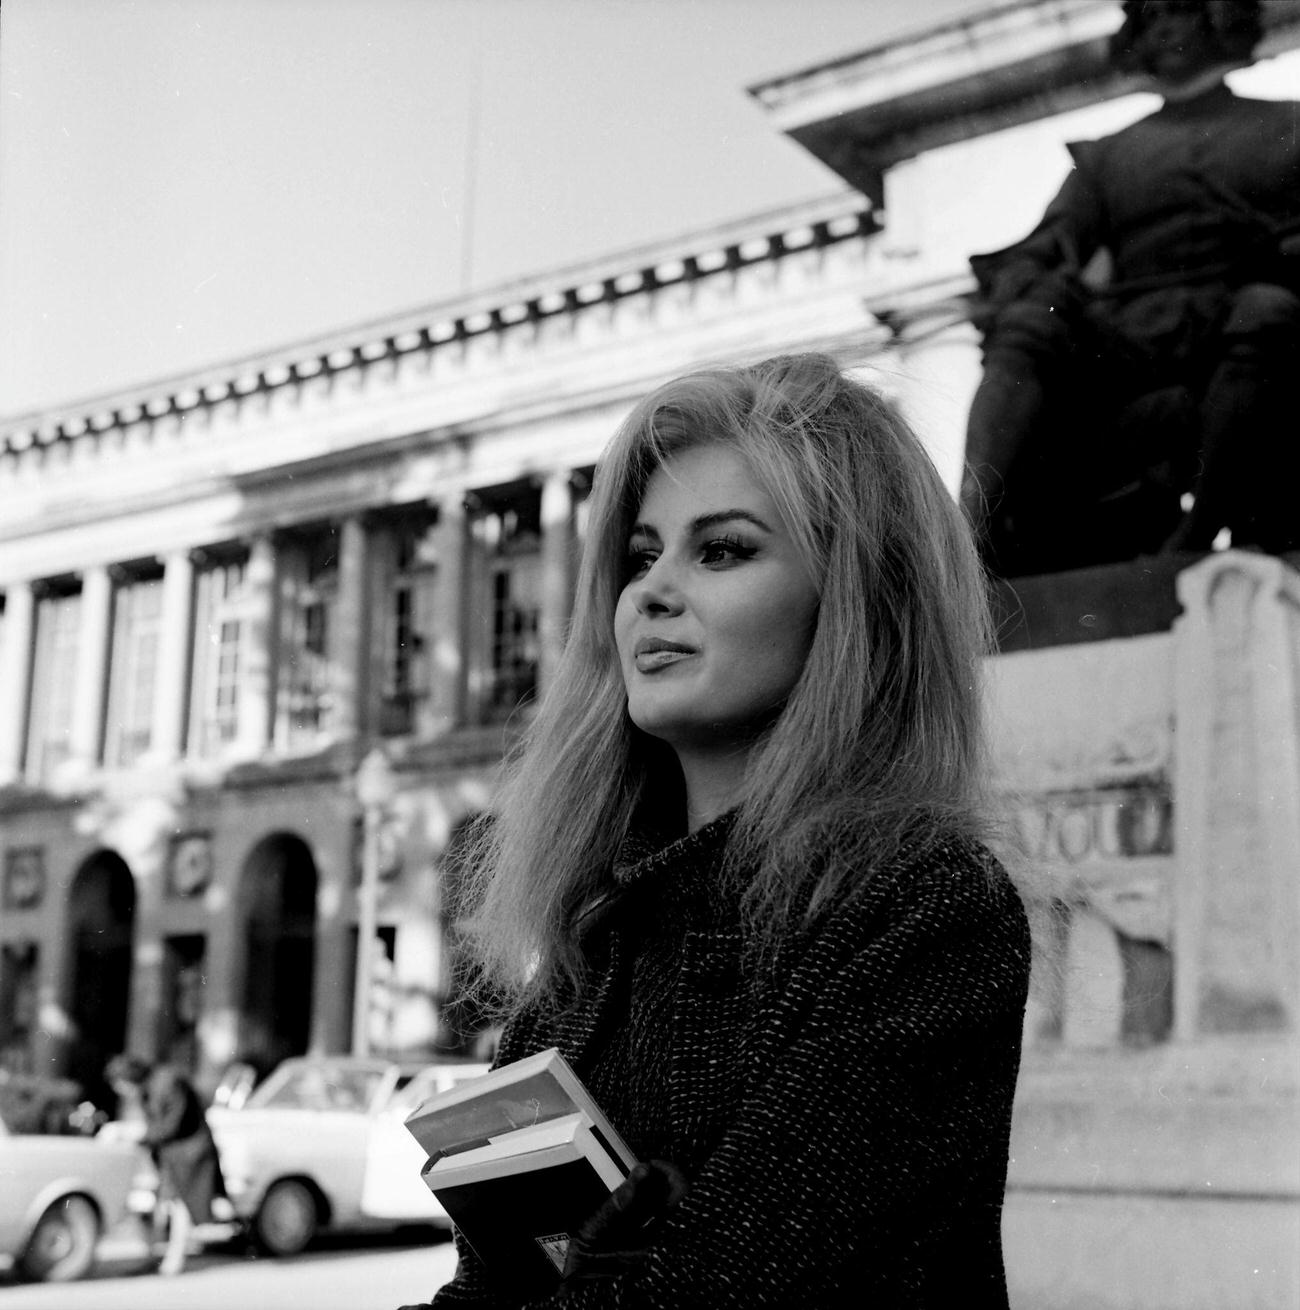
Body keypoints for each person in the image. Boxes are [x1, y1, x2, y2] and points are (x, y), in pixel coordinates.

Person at [405, 353, 1031, 1309]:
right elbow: (486, 1291)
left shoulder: (925, 905)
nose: (650, 592)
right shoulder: (591, 941)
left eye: (724, 550)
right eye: (640, 556)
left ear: (856, 599)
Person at [963, 0, 1300, 575]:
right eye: (1149, 19)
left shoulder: (1288, 125)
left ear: (1219, 20)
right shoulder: (1107, 156)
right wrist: (1033, 279)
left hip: (1237, 315)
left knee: (1266, 310)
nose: (1164, 27)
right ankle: (969, 526)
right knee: (1029, 321)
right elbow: (1049, 243)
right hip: (1128, 336)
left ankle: (1202, 526)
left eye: (1179, 11)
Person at [108, 1056, 227, 1277]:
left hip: (188, 1154)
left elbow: (172, 1123)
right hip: (170, 1154)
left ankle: (174, 1258)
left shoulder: (168, 1082)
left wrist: (136, 1135)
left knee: (179, 1204)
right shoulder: (149, 1088)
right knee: (159, 1204)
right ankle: (155, 1256)